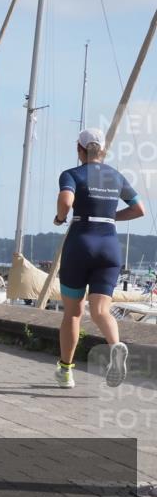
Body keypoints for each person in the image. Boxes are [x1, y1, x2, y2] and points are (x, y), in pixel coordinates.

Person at [53, 128, 145, 389]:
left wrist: (60, 218)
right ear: (103, 150)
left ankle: (66, 372)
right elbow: (139, 209)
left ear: (79, 149)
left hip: (81, 244)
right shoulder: (116, 176)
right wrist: (112, 216)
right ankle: (115, 346)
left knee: (73, 314)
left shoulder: (72, 174)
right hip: (109, 246)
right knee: (101, 310)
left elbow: (66, 200)